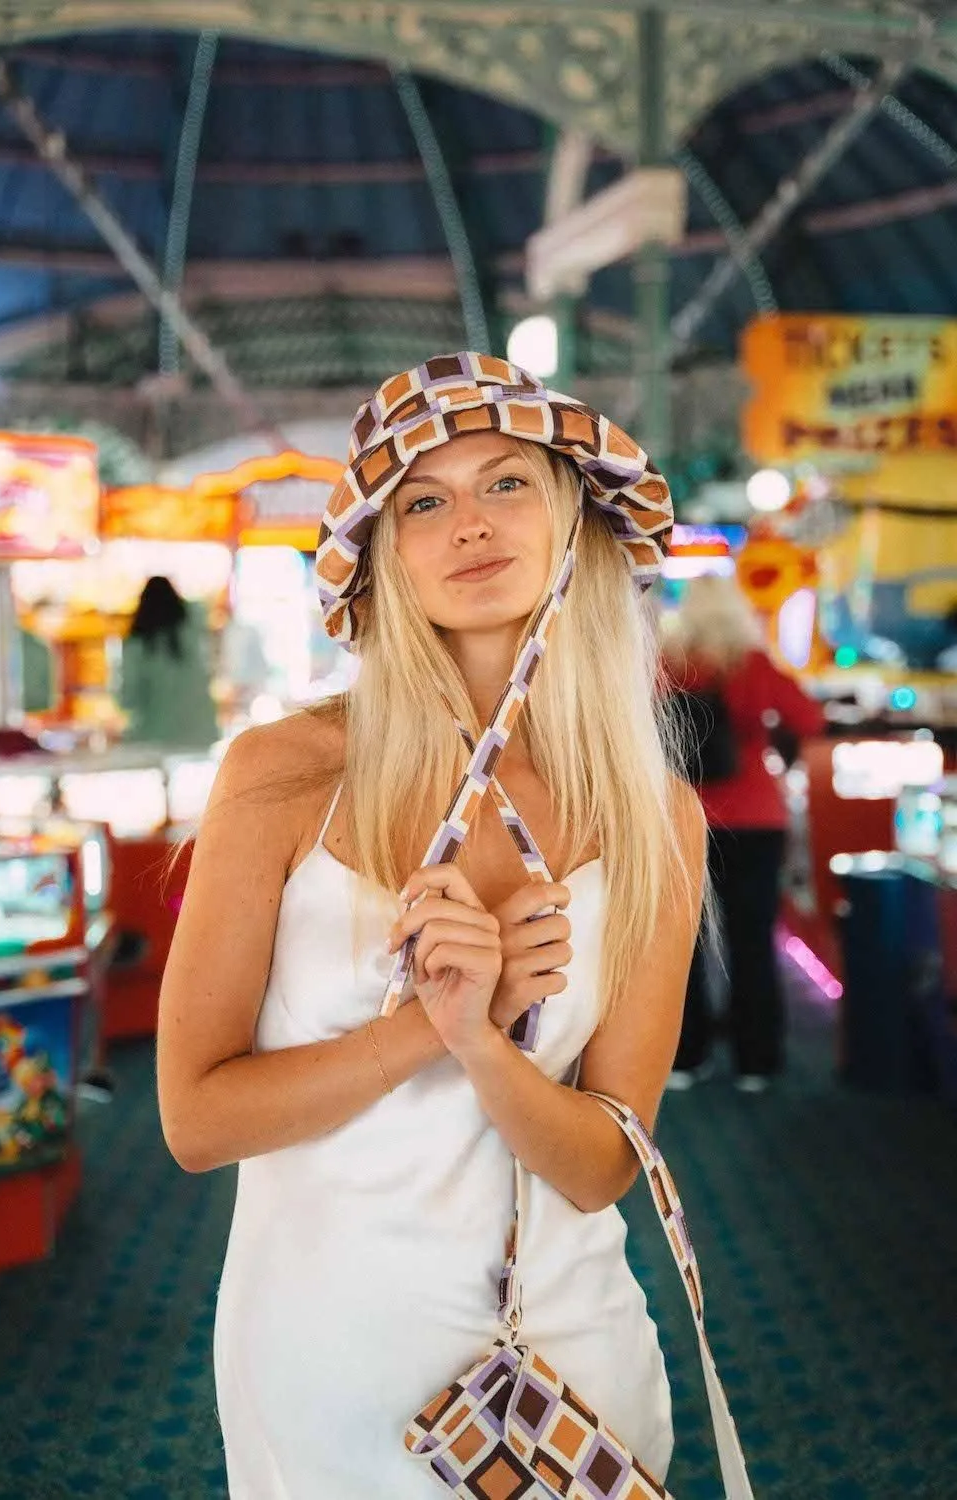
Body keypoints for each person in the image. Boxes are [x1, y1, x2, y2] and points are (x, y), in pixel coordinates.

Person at [156, 355, 711, 1496]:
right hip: (326, 1359)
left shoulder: (654, 811)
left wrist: (481, 1050)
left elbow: (606, 1163)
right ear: (381, 553)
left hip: (567, 1352)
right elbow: (195, 1121)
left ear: (573, 519)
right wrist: (430, 1025)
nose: (469, 524)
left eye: (507, 483)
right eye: (424, 500)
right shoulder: (281, 776)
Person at [663, 574, 825, 1094]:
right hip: (756, 818)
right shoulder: (753, 665)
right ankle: (756, 1060)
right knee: (752, 941)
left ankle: (685, 1056)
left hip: (682, 817)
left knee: (680, 947)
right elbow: (810, 717)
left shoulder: (667, 663)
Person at [120, 576, 218, 748]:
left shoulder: (138, 645)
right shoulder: (193, 632)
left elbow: (128, 698)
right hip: (201, 733)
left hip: (155, 736)